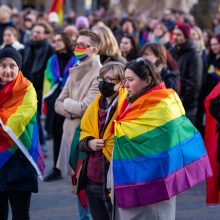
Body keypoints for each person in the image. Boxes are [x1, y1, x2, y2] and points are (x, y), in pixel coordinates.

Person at [112, 58, 212, 220]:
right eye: (125, 80)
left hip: (155, 182)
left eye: (130, 80)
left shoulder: (163, 103)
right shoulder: (132, 100)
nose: (126, 85)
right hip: (135, 177)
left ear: (147, 81)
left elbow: (169, 143)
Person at [55, 29, 102, 219]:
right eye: (77, 44)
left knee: (87, 189)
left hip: (84, 138)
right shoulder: (75, 67)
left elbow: (86, 108)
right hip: (70, 135)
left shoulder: (99, 73)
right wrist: (71, 108)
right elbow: (57, 103)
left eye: (83, 45)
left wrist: (68, 106)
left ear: (94, 50)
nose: (78, 48)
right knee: (77, 186)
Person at [74, 62, 126, 220]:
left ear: (121, 83)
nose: (104, 82)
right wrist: (89, 143)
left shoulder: (126, 106)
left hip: (115, 179)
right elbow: (82, 135)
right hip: (93, 178)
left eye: (110, 79)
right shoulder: (95, 105)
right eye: (102, 78)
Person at [0, 45, 44, 220]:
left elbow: (17, 120)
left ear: (19, 68)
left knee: (20, 215)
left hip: (20, 160)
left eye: (12, 66)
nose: (8, 70)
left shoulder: (27, 89)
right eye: (3, 65)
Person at [43, 32, 76, 181]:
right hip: (56, 101)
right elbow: (48, 76)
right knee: (57, 135)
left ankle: (76, 171)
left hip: (70, 100)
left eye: (59, 40)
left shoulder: (75, 58)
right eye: (54, 41)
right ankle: (57, 170)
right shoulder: (52, 59)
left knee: (72, 136)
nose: (56, 43)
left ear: (66, 41)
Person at [20, 23, 54, 156]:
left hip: (39, 88)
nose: (36, 34)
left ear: (45, 34)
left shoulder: (48, 48)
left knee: (37, 117)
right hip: (25, 86)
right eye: (34, 32)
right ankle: (29, 143)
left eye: (39, 32)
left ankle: (43, 144)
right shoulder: (27, 46)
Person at [170, 23, 203, 124]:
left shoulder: (193, 55)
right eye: (174, 34)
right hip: (172, 102)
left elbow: (194, 83)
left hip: (186, 105)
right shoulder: (172, 51)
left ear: (186, 36)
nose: (175, 37)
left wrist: (183, 101)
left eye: (179, 35)